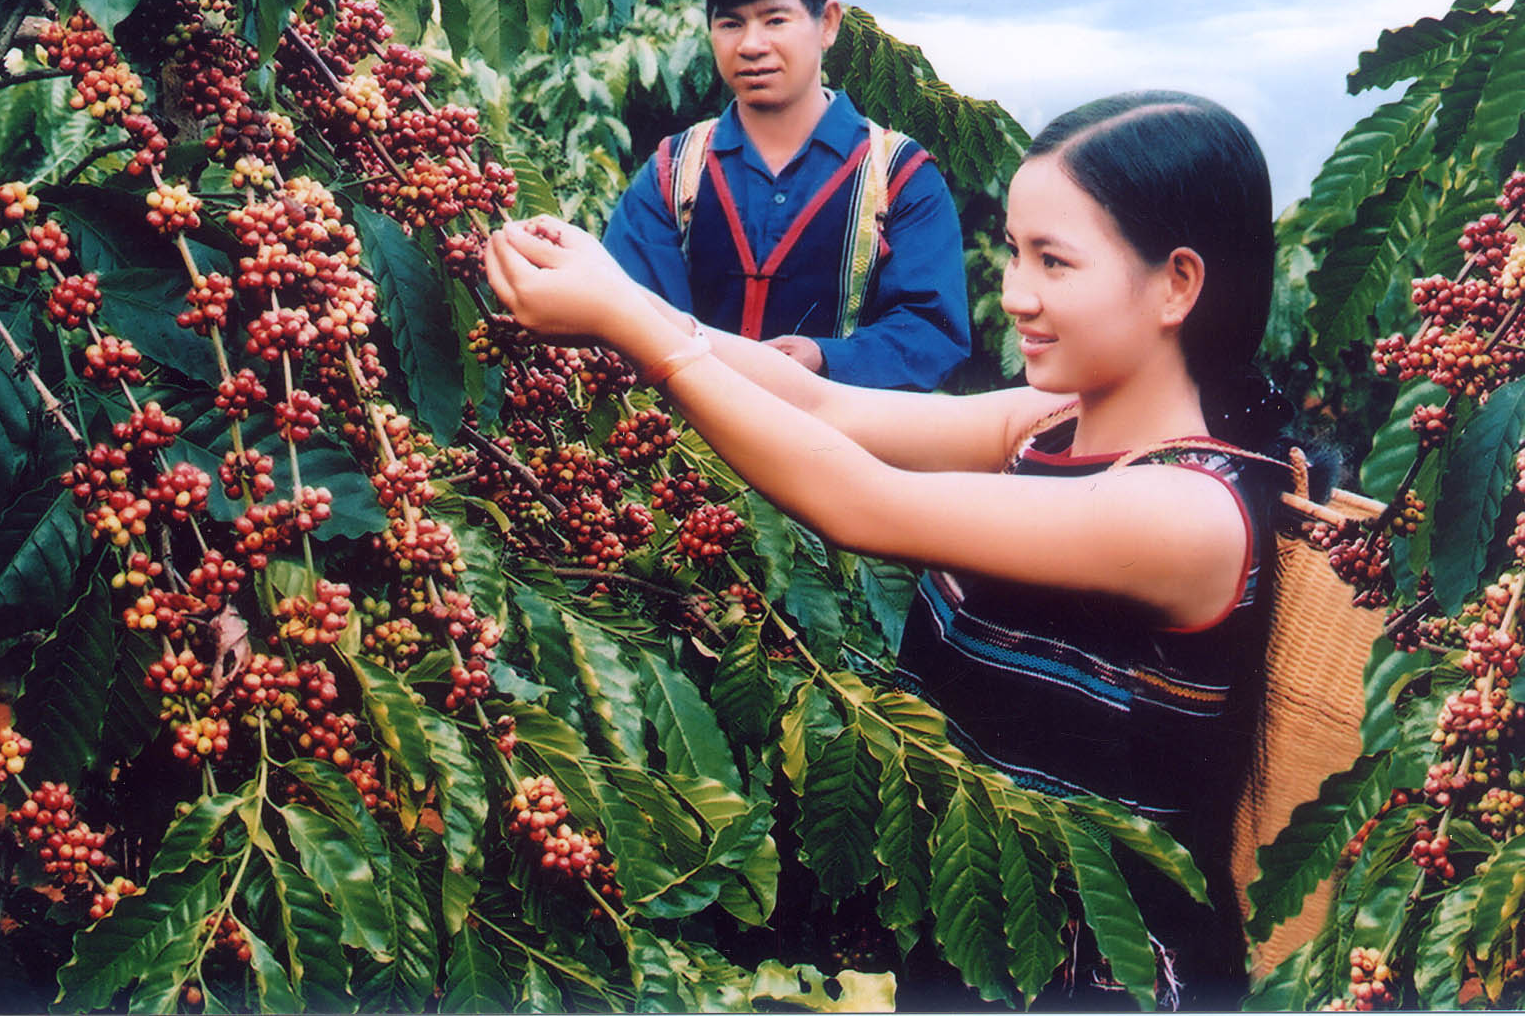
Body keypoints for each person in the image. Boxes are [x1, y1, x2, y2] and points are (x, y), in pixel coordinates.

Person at [487, 90, 1309, 1005]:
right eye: (1013, 249)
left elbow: (864, 500)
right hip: (980, 952)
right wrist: (628, 296)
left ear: (1177, 284)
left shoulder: (1187, 511)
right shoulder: (1046, 425)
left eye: (1055, 261)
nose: (1015, 292)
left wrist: (632, 331)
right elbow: (825, 407)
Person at [602, 0, 971, 391]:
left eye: (775, 20)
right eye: (730, 24)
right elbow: (625, 309)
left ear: (828, 23)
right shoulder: (674, 171)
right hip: (690, 454)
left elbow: (932, 329)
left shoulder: (899, 176)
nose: (751, 44)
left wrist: (827, 357)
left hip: (844, 455)